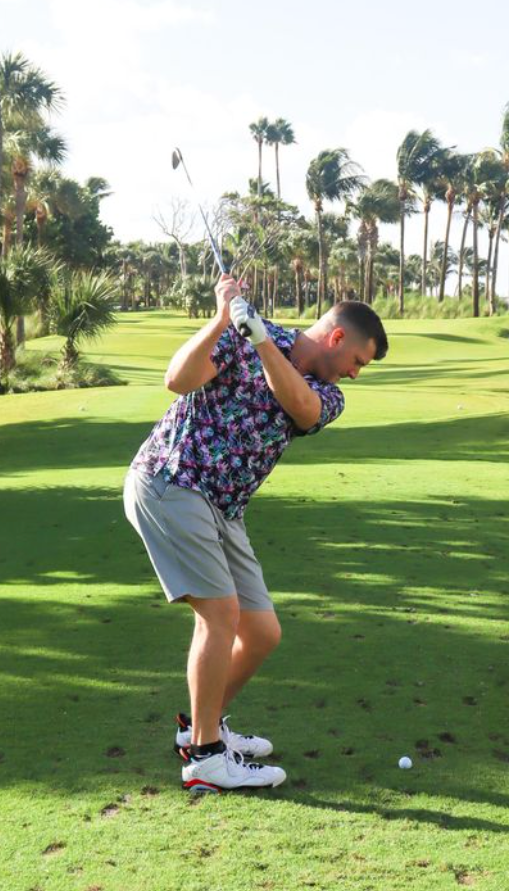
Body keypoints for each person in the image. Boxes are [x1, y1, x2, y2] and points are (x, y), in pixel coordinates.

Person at [123, 273, 388, 792]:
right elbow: (177, 380)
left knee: (262, 632)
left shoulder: (325, 393)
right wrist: (221, 319)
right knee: (220, 615)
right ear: (337, 337)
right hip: (172, 481)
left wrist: (260, 339)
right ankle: (205, 757)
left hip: (224, 508)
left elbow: (300, 406)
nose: (356, 374)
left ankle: (199, 727)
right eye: (358, 361)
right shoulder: (240, 334)